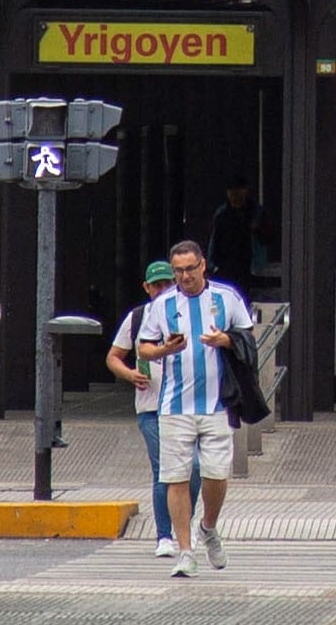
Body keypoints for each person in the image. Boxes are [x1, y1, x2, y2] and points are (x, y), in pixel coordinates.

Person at [137, 238, 253, 576]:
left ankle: (208, 526)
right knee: (175, 477)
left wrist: (224, 340)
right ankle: (185, 551)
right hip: (174, 405)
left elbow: (248, 338)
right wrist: (165, 350)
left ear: (203, 265)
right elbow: (144, 348)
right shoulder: (162, 304)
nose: (185, 276)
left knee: (216, 473)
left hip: (217, 403)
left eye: (190, 269)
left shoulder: (226, 298)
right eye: (178, 271)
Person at [105, 260, 180, 558]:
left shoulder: (185, 314)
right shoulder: (137, 317)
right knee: (163, 470)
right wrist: (129, 374)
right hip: (150, 406)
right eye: (157, 285)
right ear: (146, 288)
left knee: (195, 469)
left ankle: (183, 523)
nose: (162, 290)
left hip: (183, 404)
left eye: (167, 284)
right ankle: (164, 535)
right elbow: (113, 356)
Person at [208, 182, 261, 287]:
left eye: (238, 191)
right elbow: (214, 240)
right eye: (232, 192)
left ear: (245, 191)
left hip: (249, 266)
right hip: (225, 266)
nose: (235, 195)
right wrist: (212, 265)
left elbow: (267, 238)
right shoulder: (222, 213)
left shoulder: (255, 212)